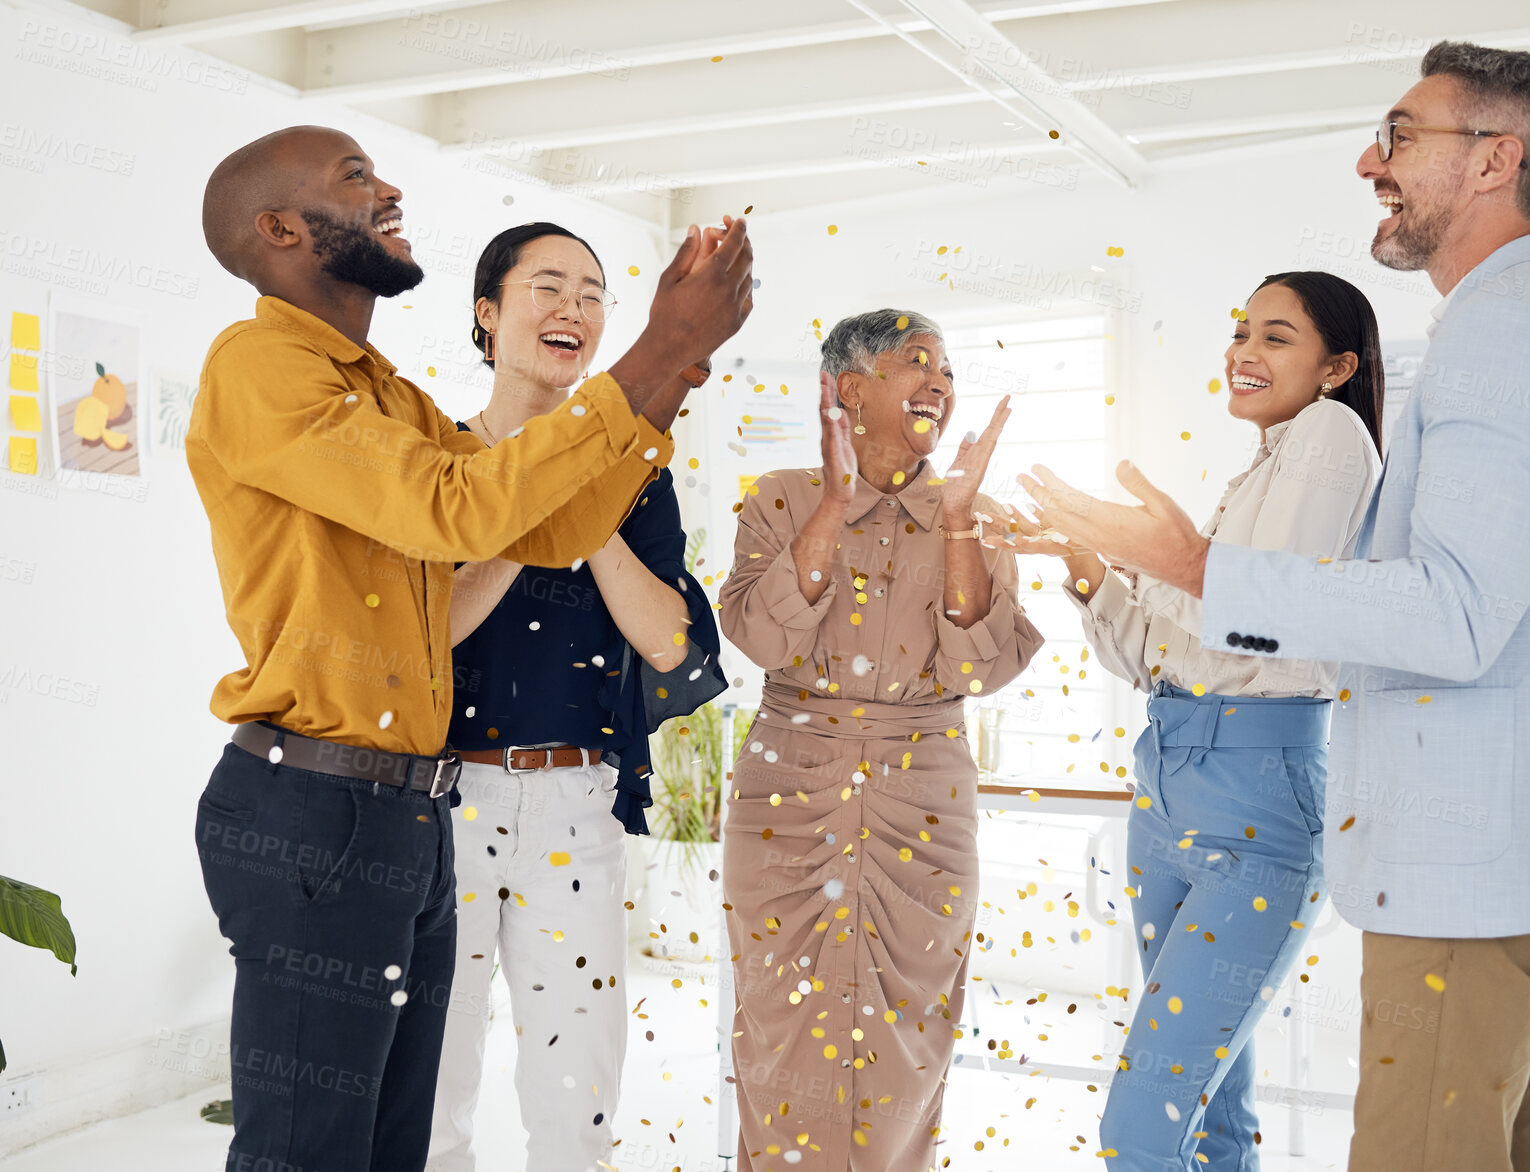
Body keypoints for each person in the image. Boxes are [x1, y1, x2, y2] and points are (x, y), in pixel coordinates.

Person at [1022, 42, 1530, 1172]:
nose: (1370, 158)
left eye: (1401, 137)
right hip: (1520, 866)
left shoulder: (1506, 331)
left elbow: (1453, 615)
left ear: (1492, 161)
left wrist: (1190, 561)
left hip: (1470, 873)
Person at [188, 124, 752, 1172]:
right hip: (314, 810)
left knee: (395, 1144)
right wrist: (642, 363)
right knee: (315, 1149)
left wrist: (663, 378)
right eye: (356, 177)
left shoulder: (390, 397)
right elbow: (458, 511)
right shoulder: (258, 364)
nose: (390, 186)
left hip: (403, 810)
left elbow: (536, 529)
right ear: (279, 227)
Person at [1000, 272, 1383, 1169]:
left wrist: (1151, 556)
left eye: (1276, 337)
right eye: (1242, 330)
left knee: (1142, 1123)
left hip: (1254, 800)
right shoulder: (1261, 468)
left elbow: (1261, 617)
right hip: (1168, 783)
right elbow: (1155, 660)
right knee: (1213, 1106)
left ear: (1338, 368)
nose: (1244, 351)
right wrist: (1092, 566)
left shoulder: (1330, 435)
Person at [426, 221, 727, 1172]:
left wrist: (586, 498)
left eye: (594, 293)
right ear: (488, 314)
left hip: (574, 804)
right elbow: (424, 637)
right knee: (431, 1078)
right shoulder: (433, 459)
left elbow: (671, 640)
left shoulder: (636, 474)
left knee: (578, 1083)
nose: (575, 309)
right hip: (442, 802)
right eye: (548, 287)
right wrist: (528, 506)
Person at [716, 309, 1044, 1169]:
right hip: (790, 780)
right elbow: (760, 638)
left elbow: (979, 665)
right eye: (916, 362)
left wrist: (963, 520)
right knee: (779, 1022)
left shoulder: (978, 510)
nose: (939, 381)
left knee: (912, 1032)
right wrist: (834, 502)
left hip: (924, 791)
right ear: (848, 389)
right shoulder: (780, 496)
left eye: (946, 369)